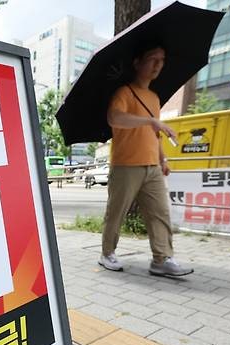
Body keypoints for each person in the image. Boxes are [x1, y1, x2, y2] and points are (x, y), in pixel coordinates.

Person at [98, 41, 193, 276]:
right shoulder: (124, 92)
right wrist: (150, 121)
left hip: (152, 166)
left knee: (160, 213)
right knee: (117, 211)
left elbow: (154, 134)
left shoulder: (154, 98)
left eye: (162, 61)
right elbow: (114, 118)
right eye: (153, 59)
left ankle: (162, 259)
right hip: (125, 164)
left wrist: (163, 159)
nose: (158, 65)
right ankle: (107, 253)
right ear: (137, 62)